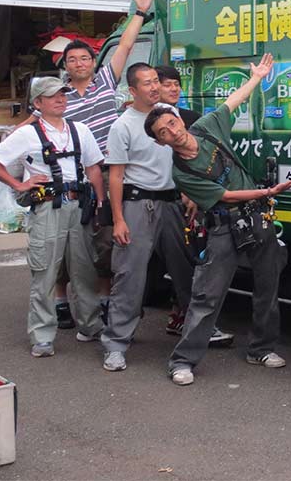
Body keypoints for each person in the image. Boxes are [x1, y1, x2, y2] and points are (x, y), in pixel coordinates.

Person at [145, 53, 291, 386]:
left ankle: (260, 348)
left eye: (172, 123)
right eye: (164, 132)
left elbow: (233, 101)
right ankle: (182, 361)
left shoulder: (205, 128)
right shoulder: (182, 172)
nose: (173, 131)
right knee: (207, 295)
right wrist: (266, 192)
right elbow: (225, 197)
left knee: (267, 286)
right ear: (160, 141)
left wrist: (257, 77)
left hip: (257, 219)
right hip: (223, 226)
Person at [23, 0, 155, 330]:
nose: (80, 63)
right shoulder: (58, 97)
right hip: (73, 178)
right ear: (63, 65)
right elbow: (27, 128)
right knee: (70, 242)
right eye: (72, 60)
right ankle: (62, 300)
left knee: (106, 239)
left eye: (84, 58)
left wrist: (139, 13)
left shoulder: (105, 82)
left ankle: (106, 299)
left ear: (93, 62)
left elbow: (125, 45)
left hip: (110, 172)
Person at [100, 63, 232, 373]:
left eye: (155, 81)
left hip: (174, 203)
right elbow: (116, 176)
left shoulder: (169, 117)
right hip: (138, 205)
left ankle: (200, 329)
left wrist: (190, 194)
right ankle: (116, 343)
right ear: (132, 91)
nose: (154, 87)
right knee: (130, 275)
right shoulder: (124, 125)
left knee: (188, 270)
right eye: (146, 83)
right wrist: (118, 219)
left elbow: (184, 157)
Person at [0, 78, 106, 357]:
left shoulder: (80, 130)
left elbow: (93, 168)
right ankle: (42, 335)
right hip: (47, 208)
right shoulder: (28, 134)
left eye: (62, 94)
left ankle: (90, 325)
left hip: (79, 207)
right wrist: (19, 185)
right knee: (45, 273)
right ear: (38, 103)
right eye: (52, 96)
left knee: (85, 270)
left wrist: (100, 202)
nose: (60, 99)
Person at [155, 63, 202, 336]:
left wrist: (195, 192)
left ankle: (185, 311)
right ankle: (181, 311)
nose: (173, 89)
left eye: (176, 84)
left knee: (193, 256)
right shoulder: (145, 121)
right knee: (174, 259)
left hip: (191, 198)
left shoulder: (192, 117)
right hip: (161, 199)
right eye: (166, 84)